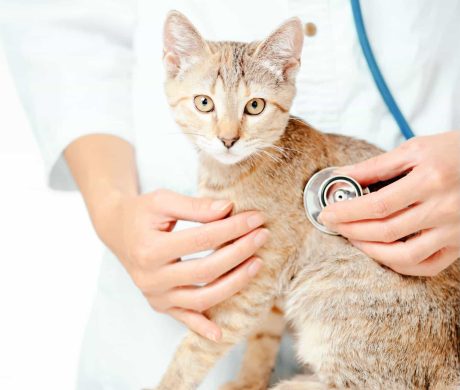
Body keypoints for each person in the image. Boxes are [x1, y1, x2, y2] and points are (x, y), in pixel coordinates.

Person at [1, 1, 459, 388]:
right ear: (174, 67)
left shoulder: (273, 168)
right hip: (147, 328)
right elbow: (59, 35)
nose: (227, 134)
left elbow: (250, 293)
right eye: (205, 104)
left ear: (286, 74)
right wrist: (112, 210)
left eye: (253, 107)